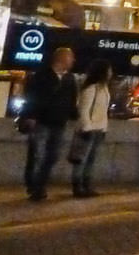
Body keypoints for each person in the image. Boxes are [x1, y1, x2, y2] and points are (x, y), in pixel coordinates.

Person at [19, 46, 79, 201]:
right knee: (37, 155)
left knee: (52, 156)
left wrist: (73, 116)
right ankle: (34, 187)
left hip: (59, 122)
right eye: (70, 57)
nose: (73, 61)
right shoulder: (41, 76)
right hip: (41, 121)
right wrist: (30, 116)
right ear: (61, 59)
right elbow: (32, 97)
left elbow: (71, 101)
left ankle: (40, 185)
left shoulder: (70, 79)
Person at [70, 60, 112, 198]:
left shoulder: (104, 89)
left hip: (99, 129)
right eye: (109, 70)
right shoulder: (91, 88)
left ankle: (86, 184)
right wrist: (86, 128)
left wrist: (104, 128)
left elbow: (103, 111)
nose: (111, 73)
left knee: (91, 159)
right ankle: (78, 187)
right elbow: (83, 110)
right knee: (81, 159)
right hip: (88, 129)